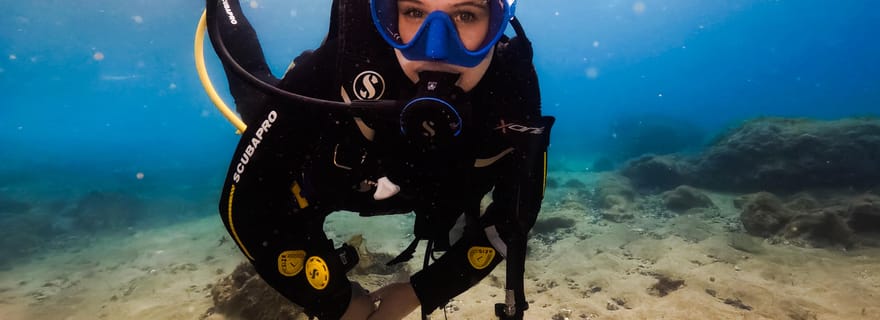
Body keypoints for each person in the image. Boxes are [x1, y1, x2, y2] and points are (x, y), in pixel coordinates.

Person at [205, 0, 553, 319]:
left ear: (497, 23)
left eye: (465, 15)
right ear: (388, 16)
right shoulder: (338, 67)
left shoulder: (512, 90)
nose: (436, 49)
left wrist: (424, 290)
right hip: (324, 178)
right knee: (256, 96)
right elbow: (246, 208)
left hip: (431, 191)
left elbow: (514, 217)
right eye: (415, 12)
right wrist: (335, 300)